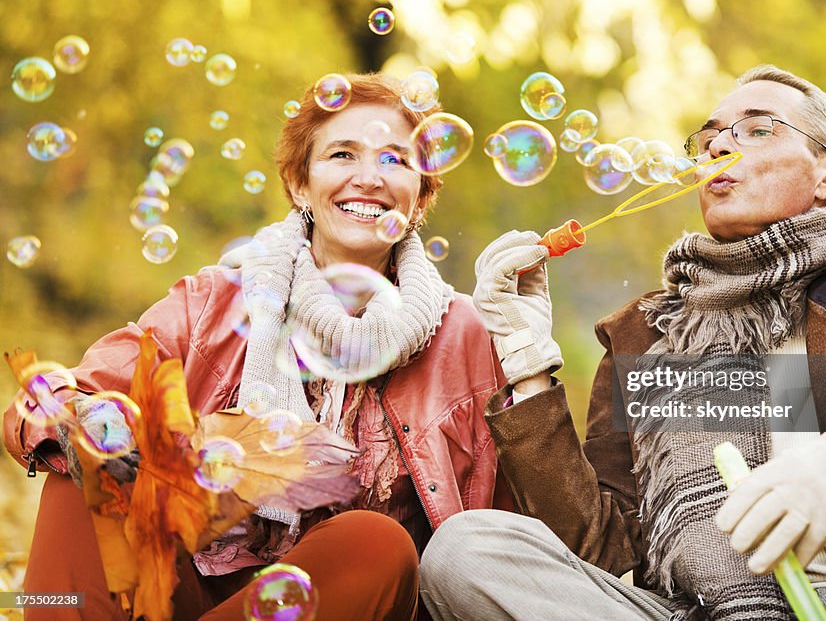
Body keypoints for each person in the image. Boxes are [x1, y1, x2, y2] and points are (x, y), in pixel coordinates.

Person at [419, 65, 826, 620]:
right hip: (695, 612)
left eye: (758, 130)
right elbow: (600, 552)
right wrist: (527, 361)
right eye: (707, 136)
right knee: (465, 550)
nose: (717, 145)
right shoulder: (646, 333)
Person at [3, 73, 510, 620]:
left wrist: (529, 368)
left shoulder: (463, 334)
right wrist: (83, 416)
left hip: (342, 604)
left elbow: (509, 541)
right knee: (82, 456)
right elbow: (45, 403)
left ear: (419, 196)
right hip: (182, 591)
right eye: (343, 154)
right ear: (300, 185)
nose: (369, 178)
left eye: (394, 160)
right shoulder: (214, 302)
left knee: (376, 542)